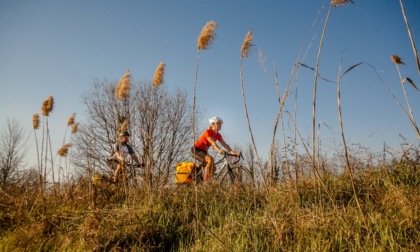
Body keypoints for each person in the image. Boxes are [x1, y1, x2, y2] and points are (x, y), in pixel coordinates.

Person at [192, 116, 239, 181]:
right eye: (218, 123)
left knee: (213, 169)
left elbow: (225, 145)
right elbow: (213, 143)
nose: (220, 125)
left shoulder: (218, 135)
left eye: (221, 124)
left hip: (203, 151)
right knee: (210, 159)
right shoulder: (207, 132)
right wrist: (219, 150)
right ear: (213, 124)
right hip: (196, 150)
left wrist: (233, 153)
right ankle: (205, 182)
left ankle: (204, 181)